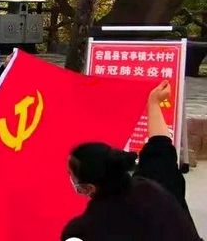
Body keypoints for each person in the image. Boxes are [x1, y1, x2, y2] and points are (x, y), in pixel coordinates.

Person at [62, 80, 202, 241]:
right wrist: (154, 103)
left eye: (71, 174)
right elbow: (160, 142)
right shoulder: (155, 182)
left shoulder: (86, 229)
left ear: (88, 188)